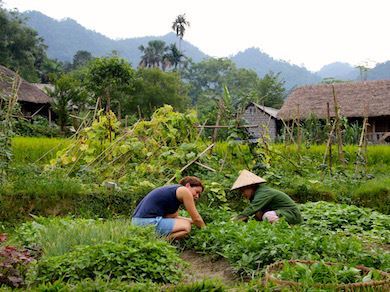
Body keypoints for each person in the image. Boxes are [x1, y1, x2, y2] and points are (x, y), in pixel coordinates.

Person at [132, 176, 206, 240]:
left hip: (137, 222)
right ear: (188, 185)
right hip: (147, 222)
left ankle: (155, 238)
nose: (197, 196)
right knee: (186, 227)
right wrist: (205, 230)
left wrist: (193, 221)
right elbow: (196, 218)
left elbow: (173, 217)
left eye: (199, 194)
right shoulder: (184, 191)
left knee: (186, 223)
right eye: (197, 192)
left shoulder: (174, 191)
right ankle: (159, 241)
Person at [231, 170, 302, 224]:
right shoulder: (256, 193)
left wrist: (235, 220)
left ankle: (283, 228)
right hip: (281, 213)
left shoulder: (263, 193)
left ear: (250, 187)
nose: (243, 194)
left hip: (291, 214)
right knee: (257, 214)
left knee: (267, 216)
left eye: (243, 191)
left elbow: (252, 208)